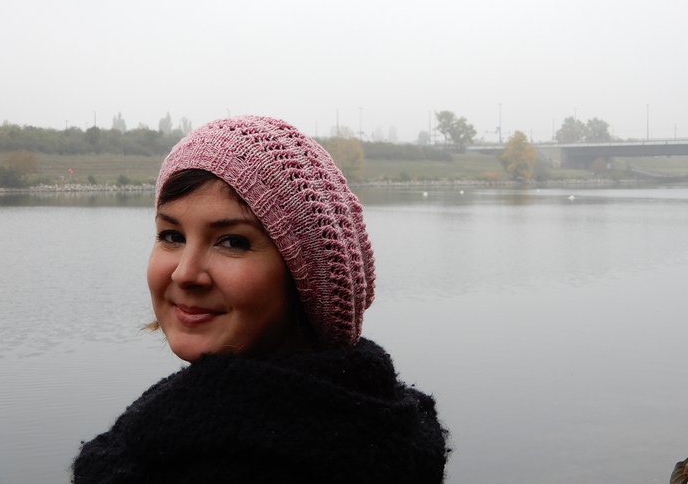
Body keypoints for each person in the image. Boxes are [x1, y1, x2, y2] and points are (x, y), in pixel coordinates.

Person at [72, 115, 448, 483]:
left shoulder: (222, 464)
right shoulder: (377, 419)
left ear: (306, 278)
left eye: (233, 241)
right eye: (172, 236)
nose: (184, 273)